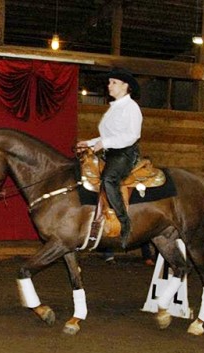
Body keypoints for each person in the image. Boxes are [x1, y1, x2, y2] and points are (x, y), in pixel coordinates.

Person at [77, 67, 143, 249]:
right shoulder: (114, 108)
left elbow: (132, 135)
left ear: (125, 86)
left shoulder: (131, 108)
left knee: (108, 179)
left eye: (113, 82)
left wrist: (104, 143)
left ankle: (125, 223)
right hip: (111, 151)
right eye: (109, 82)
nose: (109, 86)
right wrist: (89, 143)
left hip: (125, 153)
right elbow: (107, 135)